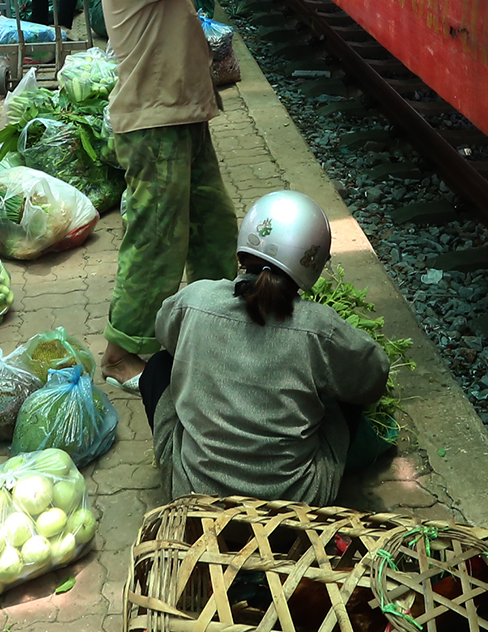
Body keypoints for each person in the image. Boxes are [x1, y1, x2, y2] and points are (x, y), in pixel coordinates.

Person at [97, 0, 258, 383]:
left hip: (181, 115)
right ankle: (124, 350)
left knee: (214, 224)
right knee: (157, 234)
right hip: (154, 122)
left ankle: (215, 321)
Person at [142, 191, 389, 503]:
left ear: (244, 249)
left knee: (158, 367)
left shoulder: (197, 299)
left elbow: (164, 332)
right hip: (297, 503)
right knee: (345, 380)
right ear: (313, 262)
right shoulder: (320, 328)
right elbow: (373, 378)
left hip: (194, 493)